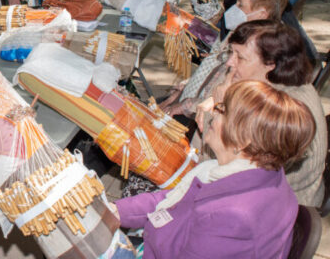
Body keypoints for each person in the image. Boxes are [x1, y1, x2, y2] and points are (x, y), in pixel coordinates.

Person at [117, 79, 315, 259]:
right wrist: (113, 211)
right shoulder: (260, 175)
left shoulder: (233, 217)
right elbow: (173, 201)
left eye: (222, 110)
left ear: (243, 140)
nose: (211, 112)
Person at [200, 21, 327, 206]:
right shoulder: (279, 85)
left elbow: (225, 161)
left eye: (240, 57)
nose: (229, 63)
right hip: (260, 192)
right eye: (231, 53)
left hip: (277, 206)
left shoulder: (278, 108)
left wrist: (222, 105)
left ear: (270, 64)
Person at [164, 0, 287, 117]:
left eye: (241, 4)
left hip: (198, 115)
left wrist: (179, 106)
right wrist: (179, 95)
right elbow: (206, 75)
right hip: (190, 103)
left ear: (262, 14)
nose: (235, 8)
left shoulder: (255, 51)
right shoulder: (238, 33)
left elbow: (216, 97)